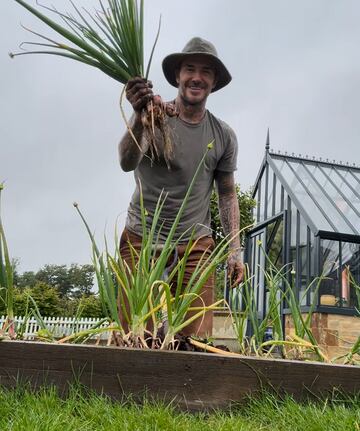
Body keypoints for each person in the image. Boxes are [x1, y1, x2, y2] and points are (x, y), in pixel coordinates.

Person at [118, 37, 244, 337]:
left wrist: (234, 250)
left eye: (206, 72)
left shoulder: (223, 135)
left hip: (194, 242)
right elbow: (126, 160)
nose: (197, 77)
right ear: (178, 75)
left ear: (213, 82)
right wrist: (140, 117)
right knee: (134, 335)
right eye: (190, 68)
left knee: (195, 340)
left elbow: (227, 193)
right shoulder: (154, 116)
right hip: (143, 235)